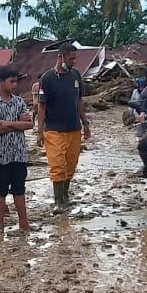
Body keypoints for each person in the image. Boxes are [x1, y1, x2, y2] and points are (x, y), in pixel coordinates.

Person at [36, 43, 91, 211]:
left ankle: (65, 196)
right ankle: (58, 201)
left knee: (70, 165)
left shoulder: (75, 75)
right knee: (57, 165)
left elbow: (79, 101)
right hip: (53, 129)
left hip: (74, 128)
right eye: (71, 58)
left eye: (75, 58)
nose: (74, 61)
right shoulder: (47, 78)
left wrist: (85, 123)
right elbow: (42, 106)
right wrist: (40, 132)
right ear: (60, 57)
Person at [0, 65, 34, 233]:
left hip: (19, 154)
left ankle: (24, 223)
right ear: (0, 82)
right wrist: (18, 124)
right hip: (1, 156)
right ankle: (0, 225)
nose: (15, 85)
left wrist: (7, 123)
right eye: (12, 81)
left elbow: (29, 124)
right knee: (0, 191)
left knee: (19, 189)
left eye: (16, 81)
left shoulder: (19, 102)